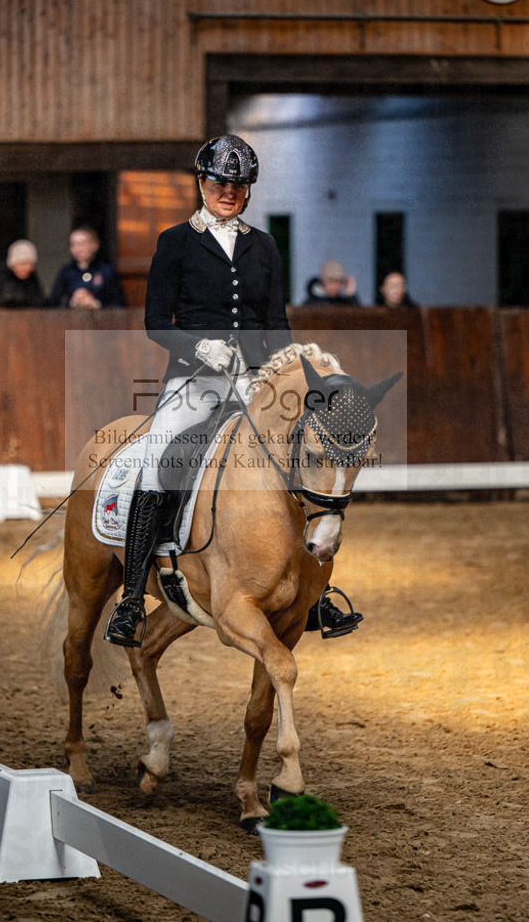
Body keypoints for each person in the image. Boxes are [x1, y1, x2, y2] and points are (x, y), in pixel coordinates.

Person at [104, 134, 362, 648]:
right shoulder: (176, 241)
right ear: (202, 183)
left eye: (239, 185)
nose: (229, 192)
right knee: (160, 462)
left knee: (300, 459)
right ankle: (132, 599)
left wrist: (290, 374)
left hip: (256, 381)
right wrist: (201, 348)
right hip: (194, 379)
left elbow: (276, 323)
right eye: (221, 182)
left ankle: (316, 593)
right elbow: (156, 322)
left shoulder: (263, 245)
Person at [50, 225, 127, 308]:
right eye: (73, 244)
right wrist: (71, 303)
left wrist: (95, 304)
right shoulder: (66, 272)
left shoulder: (107, 271)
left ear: (95, 245)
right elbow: (53, 304)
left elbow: (120, 304)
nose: (78, 249)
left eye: (82, 243)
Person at [0, 240, 46, 308]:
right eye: (22, 264)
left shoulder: (32, 280)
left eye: (30, 264)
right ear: (13, 264)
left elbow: (41, 302)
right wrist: (4, 301)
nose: (26, 268)